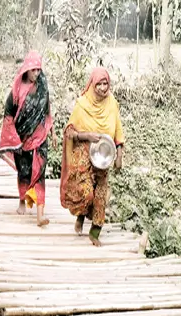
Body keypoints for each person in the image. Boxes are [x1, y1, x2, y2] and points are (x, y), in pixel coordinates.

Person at [60, 67, 126, 247]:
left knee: (101, 194)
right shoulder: (82, 104)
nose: (104, 88)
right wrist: (88, 136)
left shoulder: (112, 103)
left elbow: (118, 130)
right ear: (92, 84)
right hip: (84, 151)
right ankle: (81, 215)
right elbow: (70, 132)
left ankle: (95, 232)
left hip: (104, 153)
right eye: (100, 84)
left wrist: (119, 155)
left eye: (106, 84)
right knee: (87, 192)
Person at [0, 51, 54, 227]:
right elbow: (8, 115)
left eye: (39, 70)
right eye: (33, 70)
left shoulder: (43, 86)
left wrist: (51, 132)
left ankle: (40, 216)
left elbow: (46, 109)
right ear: (26, 70)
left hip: (40, 136)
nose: (36, 74)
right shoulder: (16, 90)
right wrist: (13, 140)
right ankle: (22, 201)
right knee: (24, 172)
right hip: (22, 138)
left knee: (39, 171)